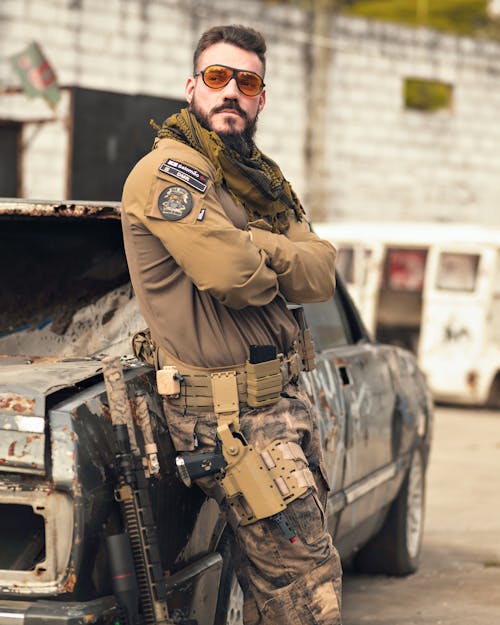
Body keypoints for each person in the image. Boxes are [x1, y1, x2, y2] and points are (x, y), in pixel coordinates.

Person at [121, 24, 342, 625]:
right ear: (192, 86)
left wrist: (254, 242)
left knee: (280, 582)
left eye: (246, 82)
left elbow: (321, 274)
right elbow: (233, 277)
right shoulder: (171, 171)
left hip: (279, 404)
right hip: (228, 418)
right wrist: (269, 253)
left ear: (261, 97)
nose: (231, 92)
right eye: (217, 78)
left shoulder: (257, 179)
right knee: (305, 589)